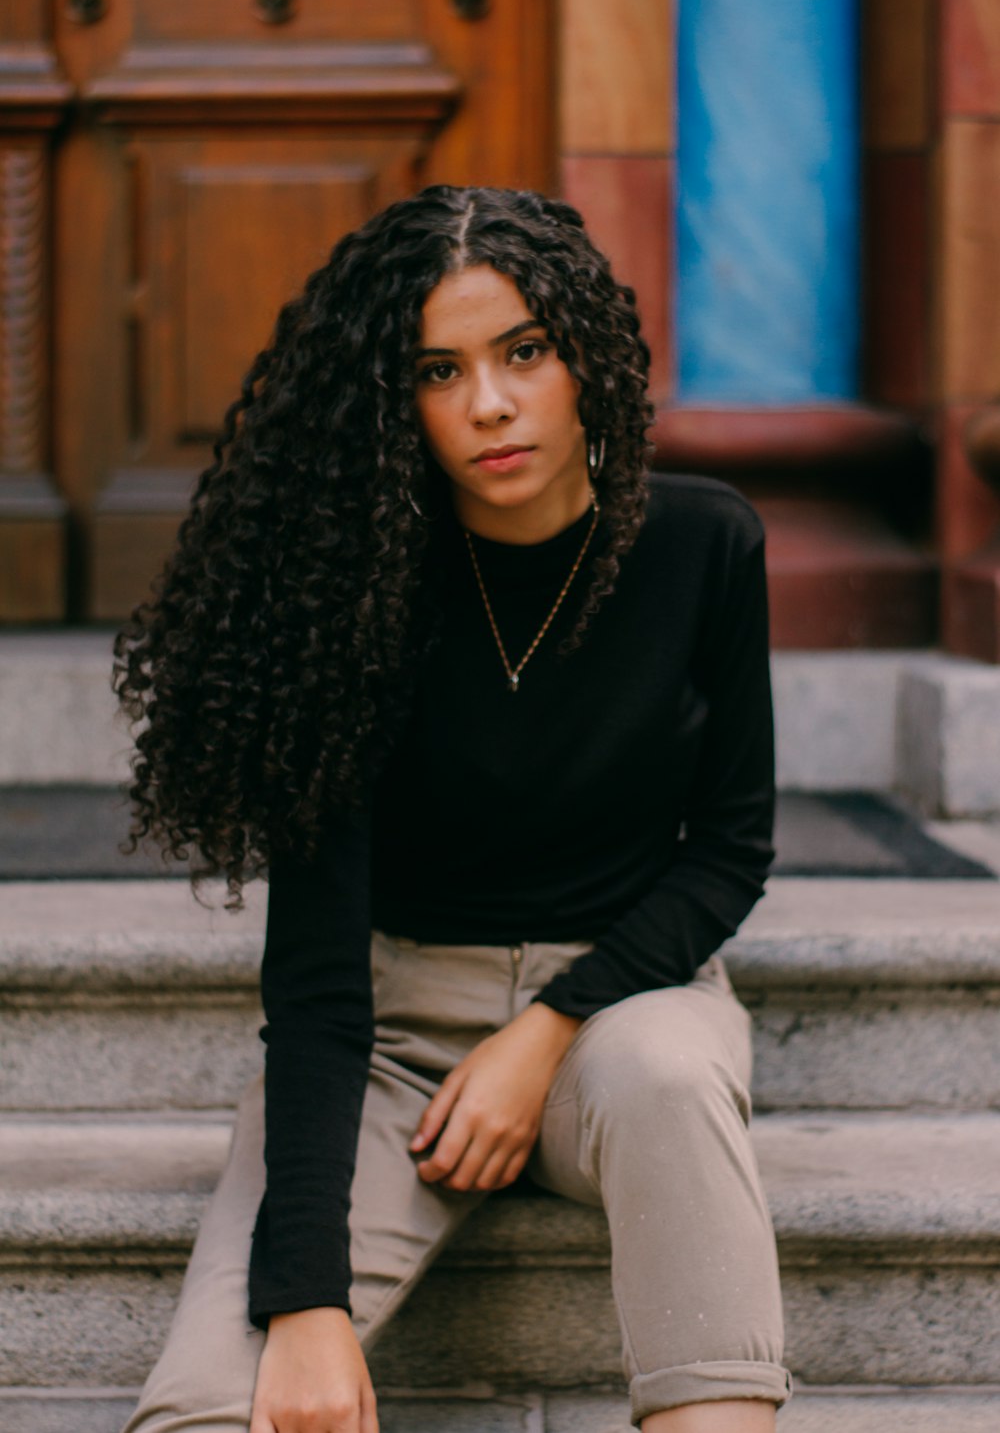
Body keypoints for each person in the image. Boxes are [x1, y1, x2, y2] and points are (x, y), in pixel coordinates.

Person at [113, 184, 791, 1433]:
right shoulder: (350, 595)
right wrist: (305, 1303)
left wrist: (543, 1034)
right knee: (210, 1414)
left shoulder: (703, 547)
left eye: (522, 351)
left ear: (582, 356)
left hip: (624, 1006)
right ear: (393, 402)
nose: (488, 402)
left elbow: (729, 855)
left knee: (666, 1075)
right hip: (390, 1037)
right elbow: (317, 986)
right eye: (439, 369)